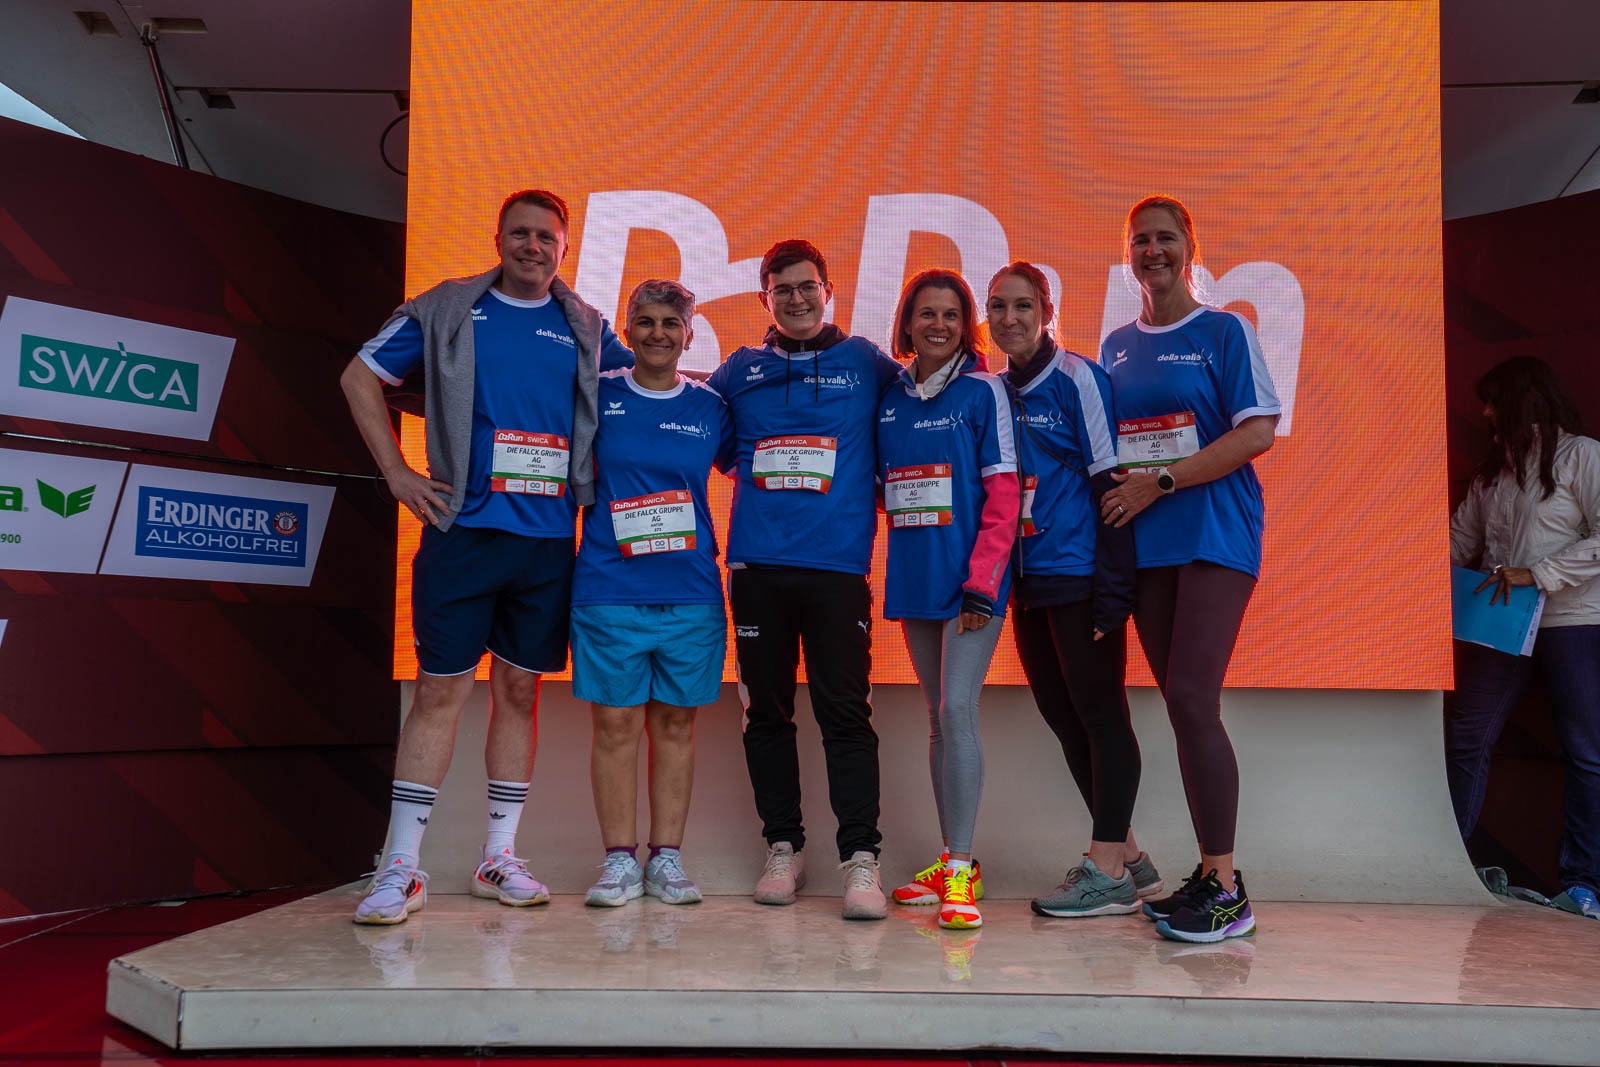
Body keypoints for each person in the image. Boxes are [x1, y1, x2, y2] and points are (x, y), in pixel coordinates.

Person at [340, 189, 632, 924]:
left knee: (519, 694)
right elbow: (358, 376)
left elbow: (647, 388)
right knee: (440, 692)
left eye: (546, 237)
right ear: (498, 238)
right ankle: (400, 866)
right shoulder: (448, 309)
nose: (533, 246)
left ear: (564, 248)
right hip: (462, 533)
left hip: (548, 543)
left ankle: (498, 856)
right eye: (520, 233)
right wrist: (398, 473)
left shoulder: (585, 325)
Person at [1098, 195, 1279, 943]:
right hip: (1147, 549)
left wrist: (1163, 480)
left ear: (1189, 246)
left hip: (1213, 535)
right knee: (1180, 706)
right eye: (1141, 240)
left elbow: (1258, 432)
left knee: (1196, 700)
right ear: (1128, 254)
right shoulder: (1114, 346)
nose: (1154, 251)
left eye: (1166, 238)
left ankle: (1230, 890)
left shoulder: (1224, 330)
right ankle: (1209, 875)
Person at [707, 239, 903, 920]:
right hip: (757, 569)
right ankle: (783, 847)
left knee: (846, 714)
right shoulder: (739, 370)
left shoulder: (867, 362)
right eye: (782, 289)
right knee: (766, 712)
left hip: (839, 570)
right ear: (765, 299)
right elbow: (703, 436)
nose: (796, 298)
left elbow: (927, 399)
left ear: (828, 291)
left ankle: (861, 857)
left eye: (807, 286)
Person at [986, 261, 1161, 918]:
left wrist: (1114, 594)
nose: (1010, 318)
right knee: (1064, 720)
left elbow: (1112, 487)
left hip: (1080, 577)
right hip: (1026, 583)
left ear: (1047, 312)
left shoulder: (1077, 378)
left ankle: (1104, 870)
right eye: (998, 306)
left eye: (1023, 306)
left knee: (1102, 719)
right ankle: (1131, 859)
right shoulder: (993, 390)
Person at [571, 279, 734, 909]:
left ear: (689, 336)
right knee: (614, 726)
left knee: (674, 725)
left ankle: (666, 860)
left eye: (671, 324)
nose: (657, 333)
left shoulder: (711, 407)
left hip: (691, 594)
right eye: (646, 321)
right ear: (628, 329)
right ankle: (618, 861)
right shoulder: (598, 393)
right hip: (608, 589)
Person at [875, 269, 1018, 929]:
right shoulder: (890, 397)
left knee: (958, 711)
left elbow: (1005, 495)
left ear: (967, 326)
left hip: (972, 586)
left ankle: (961, 868)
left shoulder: (985, 391)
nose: (938, 325)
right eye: (926, 313)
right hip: (916, 579)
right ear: (907, 322)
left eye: (951, 315)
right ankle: (949, 857)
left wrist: (983, 581)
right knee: (937, 718)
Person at [1448, 356, 1600, 920]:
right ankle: (1450, 862)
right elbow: (1457, 543)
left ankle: (1584, 884)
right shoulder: (1494, 473)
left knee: (1586, 751)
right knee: (1467, 735)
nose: (1485, 412)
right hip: (1502, 624)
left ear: (1522, 400)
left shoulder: (1582, 456)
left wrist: (1539, 573)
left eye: (1493, 401)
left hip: (1574, 620)